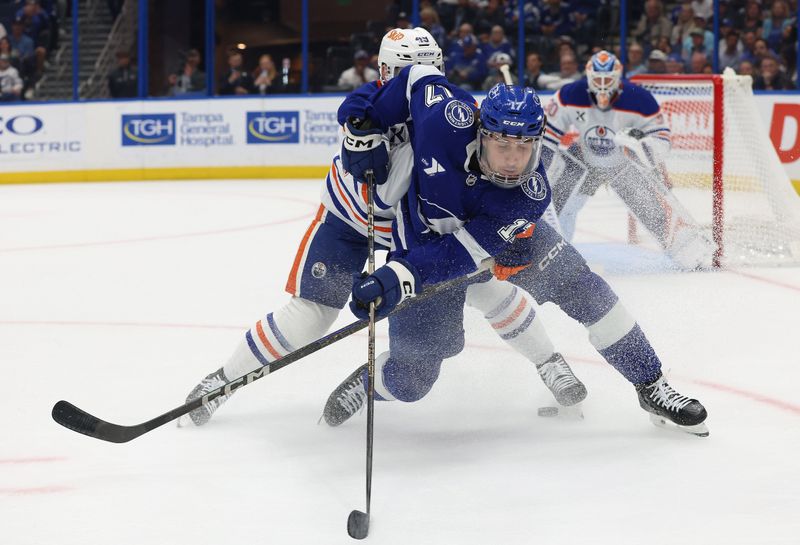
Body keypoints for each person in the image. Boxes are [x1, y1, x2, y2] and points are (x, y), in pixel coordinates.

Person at [180, 27, 587, 428]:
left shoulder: (449, 110)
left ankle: (547, 362)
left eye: (428, 66)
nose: (417, 75)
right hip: (352, 220)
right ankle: (223, 380)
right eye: (406, 68)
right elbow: (358, 110)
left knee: (488, 289)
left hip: (420, 234)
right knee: (311, 315)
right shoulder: (370, 103)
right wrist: (358, 130)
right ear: (385, 71)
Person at [323, 62, 709, 436]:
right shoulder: (445, 117)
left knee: (585, 289)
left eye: (524, 147)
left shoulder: (528, 195)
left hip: (485, 245)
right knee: (412, 380)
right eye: (503, 144)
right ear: (481, 133)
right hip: (422, 240)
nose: (512, 160)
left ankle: (651, 384)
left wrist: (396, 279)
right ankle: (370, 382)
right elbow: (413, 76)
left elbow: (460, 254)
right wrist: (362, 123)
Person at [542, 50, 715, 270]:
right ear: (588, 77)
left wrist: (641, 146)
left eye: (607, 80)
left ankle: (690, 255)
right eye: (597, 80)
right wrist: (542, 172)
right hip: (583, 159)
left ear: (618, 78)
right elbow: (546, 137)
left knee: (654, 213)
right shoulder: (570, 95)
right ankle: (551, 255)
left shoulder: (639, 99)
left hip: (622, 164)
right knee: (559, 207)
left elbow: (662, 139)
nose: (602, 86)